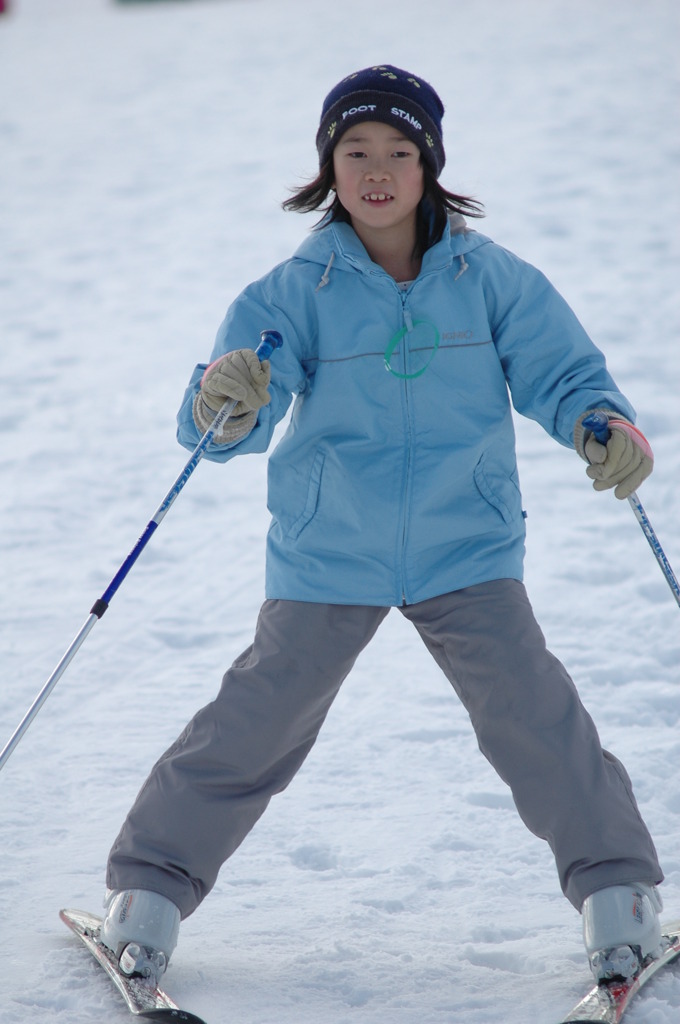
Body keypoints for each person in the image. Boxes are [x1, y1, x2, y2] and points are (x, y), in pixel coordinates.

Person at [99, 65, 663, 987]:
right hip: (332, 547)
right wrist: (226, 403)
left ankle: (620, 891)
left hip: (465, 545)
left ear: (429, 167)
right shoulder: (297, 289)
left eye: (399, 152)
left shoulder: (492, 280)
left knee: (533, 713)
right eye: (355, 149)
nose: (376, 169)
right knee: (256, 721)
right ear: (328, 165)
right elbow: (232, 406)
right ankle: (149, 889)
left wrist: (601, 424)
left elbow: (566, 375)